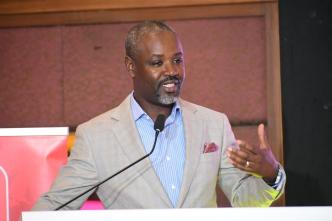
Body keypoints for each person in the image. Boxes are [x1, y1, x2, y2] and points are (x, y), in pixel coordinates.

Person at [32, 20, 285, 210]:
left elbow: (244, 199)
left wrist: (270, 175)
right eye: (157, 63)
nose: (172, 71)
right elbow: (55, 206)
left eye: (177, 60)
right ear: (131, 66)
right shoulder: (96, 136)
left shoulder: (213, 124)